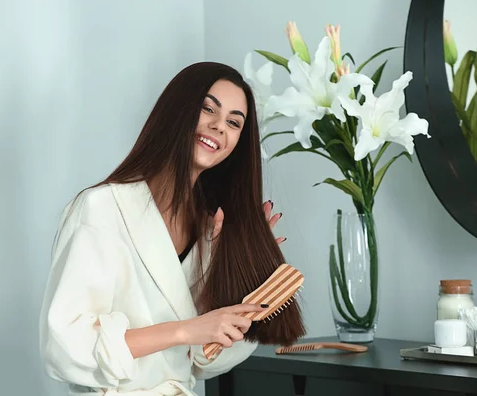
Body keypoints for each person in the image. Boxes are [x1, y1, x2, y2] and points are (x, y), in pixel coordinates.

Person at [39, 61, 305, 396]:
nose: (219, 126)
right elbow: (65, 348)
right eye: (208, 108)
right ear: (177, 110)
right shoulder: (101, 208)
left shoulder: (210, 229)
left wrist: (246, 273)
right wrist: (184, 330)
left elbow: (203, 361)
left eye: (234, 123)